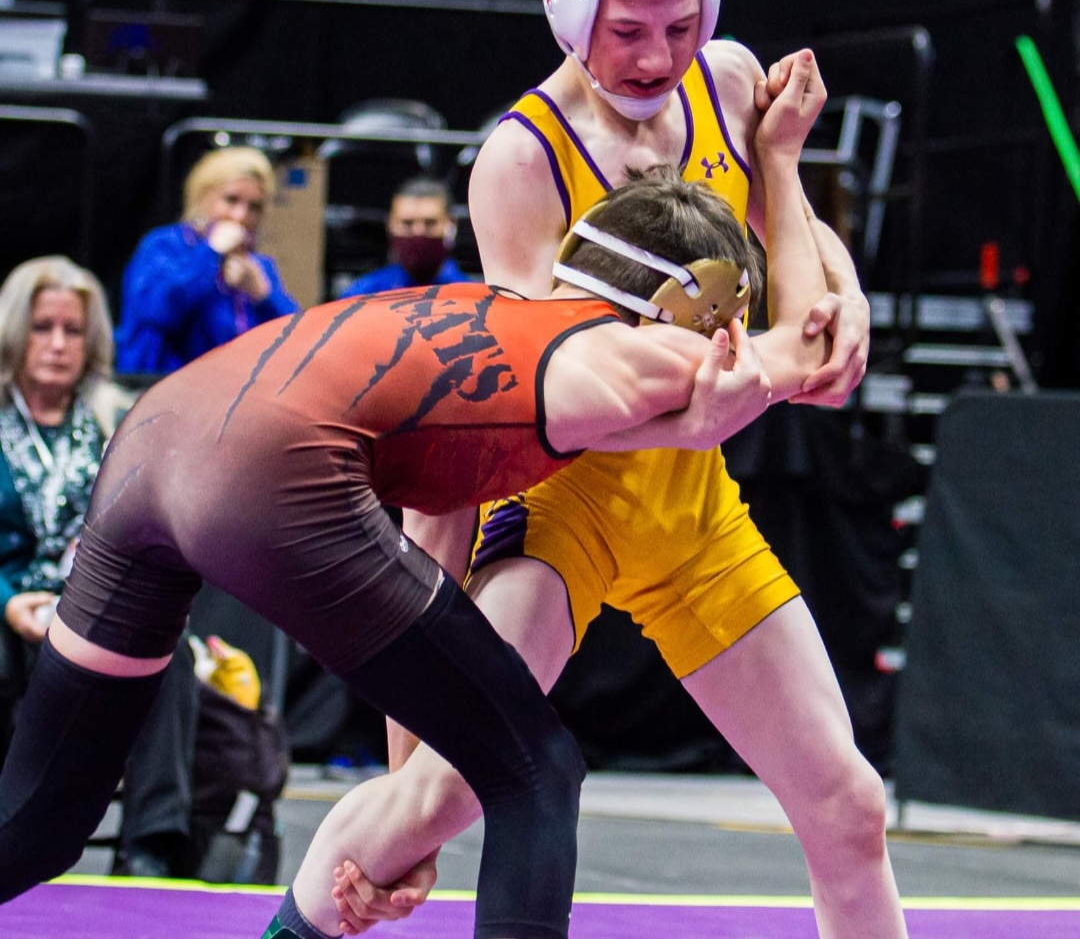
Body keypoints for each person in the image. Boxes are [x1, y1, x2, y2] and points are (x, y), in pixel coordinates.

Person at [0, 158, 826, 939]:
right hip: (266, 473)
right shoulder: (627, 348)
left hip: (150, 443)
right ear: (702, 304)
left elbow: (426, 561)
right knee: (538, 771)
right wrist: (781, 163)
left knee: (45, 814)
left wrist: (408, 801)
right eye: (730, 314)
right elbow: (814, 349)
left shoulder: (483, 324)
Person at [329, 0, 908, 939]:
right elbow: (530, 400)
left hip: (693, 507)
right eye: (628, 30)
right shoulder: (521, 161)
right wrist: (409, 780)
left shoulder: (727, 80)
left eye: (679, 26)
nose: (655, 58)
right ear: (568, 7)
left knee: (850, 809)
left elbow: (776, 228)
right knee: (432, 797)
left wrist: (844, 279)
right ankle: (310, 914)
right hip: (563, 505)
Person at [0, 255, 200, 878]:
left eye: (73, 330)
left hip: (94, 604)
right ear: (13, 333)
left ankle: (153, 845)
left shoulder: (121, 418)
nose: (59, 344)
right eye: (43, 327)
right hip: (8, 609)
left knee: (174, 658)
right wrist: (7, 599)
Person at [114, 146, 298, 377]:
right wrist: (211, 252)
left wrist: (263, 295)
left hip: (231, 400)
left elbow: (297, 342)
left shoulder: (258, 267)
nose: (241, 216)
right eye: (231, 200)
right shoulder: (163, 247)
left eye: (254, 207)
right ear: (203, 197)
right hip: (159, 393)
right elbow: (161, 311)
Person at [338, 177, 471, 296]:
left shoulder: (471, 298)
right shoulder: (360, 297)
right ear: (390, 225)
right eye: (407, 223)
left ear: (451, 224)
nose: (418, 232)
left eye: (430, 223)